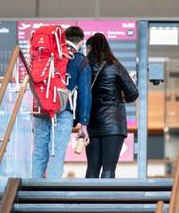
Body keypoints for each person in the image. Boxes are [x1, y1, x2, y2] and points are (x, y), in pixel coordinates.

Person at [32, 26, 92, 178]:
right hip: (62, 110)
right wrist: (83, 122)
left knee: (39, 151)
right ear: (81, 42)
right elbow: (85, 93)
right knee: (56, 152)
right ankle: (50, 196)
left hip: (41, 108)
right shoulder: (79, 60)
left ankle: (33, 192)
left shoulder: (48, 55)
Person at [85, 33, 138, 179]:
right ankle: (104, 201)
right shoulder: (115, 66)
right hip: (114, 123)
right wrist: (120, 97)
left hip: (92, 122)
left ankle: (86, 200)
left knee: (92, 168)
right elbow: (133, 93)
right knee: (109, 168)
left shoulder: (84, 67)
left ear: (89, 48)